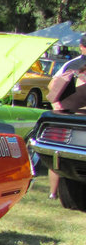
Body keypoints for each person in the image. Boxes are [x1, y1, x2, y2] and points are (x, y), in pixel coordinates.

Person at [45, 35, 86, 197]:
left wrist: (57, 106)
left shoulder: (71, 64)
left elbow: (52, 86)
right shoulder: (75, 64)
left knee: (58, 153)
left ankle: (53, 193)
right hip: (74, 115)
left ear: (81, 46)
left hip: (67, 116)